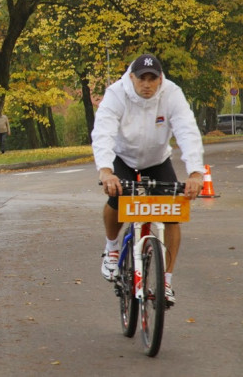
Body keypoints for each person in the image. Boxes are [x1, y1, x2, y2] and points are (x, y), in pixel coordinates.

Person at [92, 53, 204, 306]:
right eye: (142, 78)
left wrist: (196, 172)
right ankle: (111, 247)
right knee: (116, 199)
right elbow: (103, 132)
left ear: (160, 79)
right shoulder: (115, 94)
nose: (147, 84)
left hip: (157, 159)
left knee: (172, 213)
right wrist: (106, 170)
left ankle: (165, 281)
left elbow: (187, 130)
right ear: (131, 77)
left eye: (153, 79)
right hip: (123, 157)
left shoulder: (172, 93)